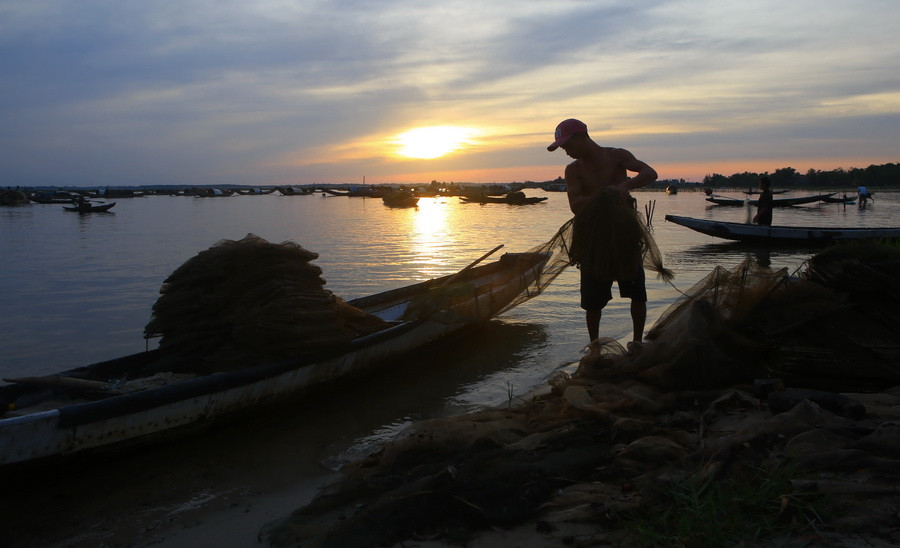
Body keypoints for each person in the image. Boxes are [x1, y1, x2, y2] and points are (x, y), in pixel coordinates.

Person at [547, 118, 658, 344]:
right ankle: (595, 347)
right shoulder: (573, 170)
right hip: (592, 240)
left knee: (636, 292)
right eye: (562, 147)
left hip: (624, 234)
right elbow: (575, 206)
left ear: (582, 136)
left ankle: (637, 342)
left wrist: (623, 187)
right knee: (592, 300)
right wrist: (604, 194)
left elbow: (649, 173)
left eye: (567, 145)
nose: (566, 151)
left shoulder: (617, 156)